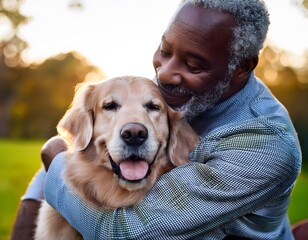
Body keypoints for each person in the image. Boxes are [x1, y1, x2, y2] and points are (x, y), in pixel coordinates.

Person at [12, 0, 302, 239]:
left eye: (192, 64)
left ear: (242, 67)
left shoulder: (265, 145)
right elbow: (80, 149)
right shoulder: (174, 88)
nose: (164, 73)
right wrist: (33, 202)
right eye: (165, 50)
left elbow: (127, 232)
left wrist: (56, 160)